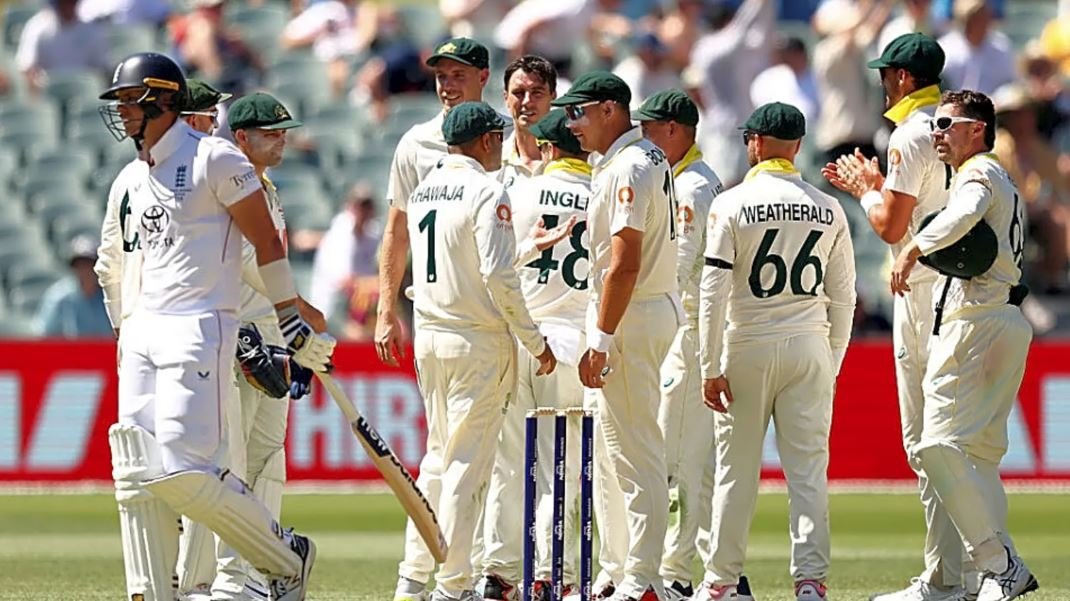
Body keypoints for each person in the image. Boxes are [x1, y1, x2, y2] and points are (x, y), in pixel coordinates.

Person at [96, 52, 332, 601]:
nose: (123, 111)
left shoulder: (215, 157)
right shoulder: (133, 176)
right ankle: (154, 593)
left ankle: (282, 558)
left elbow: (264, 243)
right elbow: (114, 263)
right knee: (134, 468)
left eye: (131, 100)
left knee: (186, 468)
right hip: (142, 332)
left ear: (164, 100)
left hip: (199, 328)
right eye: (121, 101)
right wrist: (125, 330)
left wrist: (289, 316)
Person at [383, 101, 557, 601]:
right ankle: (453, 583)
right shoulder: (487, 190)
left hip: (431, 338)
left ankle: (412, 578)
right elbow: (496, 277)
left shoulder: (424, 191)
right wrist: (535, 342)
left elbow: (464, 263)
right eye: (497, 138)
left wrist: (529, 247)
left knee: (438, 461)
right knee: (466, 467)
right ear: (485, 141)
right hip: (477, 342)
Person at [821, 33, 968, 601]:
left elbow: (889, 228)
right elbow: (926, 208)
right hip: (955, 288)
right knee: (949, 438)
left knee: (925, 441)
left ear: (903, 79)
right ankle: (966, 569)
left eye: (886, 76)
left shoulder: (908, 133)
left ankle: (946, 577)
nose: (882, 85)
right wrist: (882, 186)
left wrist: (866, 192)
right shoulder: (953, 126)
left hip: (922, 292)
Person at [696, 102, 856, 601]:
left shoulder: (731, 203)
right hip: (809, 343)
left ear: (756, 143)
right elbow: (844, 297)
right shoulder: (828, 207)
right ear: (798, 146)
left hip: (747, 342)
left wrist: (709, 366)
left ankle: (721, 581)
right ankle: (810, 582)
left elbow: (712, 293)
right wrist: (831, 361)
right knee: (808, 472)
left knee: (735, 472)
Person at [888, 89, 1038, 601]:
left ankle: (1000, 565)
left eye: (946, 124)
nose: (937, 134)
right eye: (934, 124)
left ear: (977, 129)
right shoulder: (1003, 177)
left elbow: (964, 214)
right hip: (1007, 318)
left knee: (935, 445)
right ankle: (982, 580)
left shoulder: (978, 174)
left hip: (976, 321)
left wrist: (913, 247)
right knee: (979, 456)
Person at [178, 92, 325, 601]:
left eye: (284, 132)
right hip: (237, 336)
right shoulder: (229, 184)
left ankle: (264, 569)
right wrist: (298, 308)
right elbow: (245, 262)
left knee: (268, 461)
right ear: (241, 137)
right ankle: (219, 578)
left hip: (271, 333)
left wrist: (289, 326)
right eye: (271, 133)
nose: (281, 140)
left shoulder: (267, 187)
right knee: (230, 465)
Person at [373, 38, 505, 601]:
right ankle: (446, 579)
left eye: (457, 75)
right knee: (456, 460)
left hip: (478, 322)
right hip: (458, 322)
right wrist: (386, 308)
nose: (447, 85)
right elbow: (396, 230)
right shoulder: (417, 142)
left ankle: (452, 574)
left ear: (482, 77)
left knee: (458, 459)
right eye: (441, 76)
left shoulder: (504, 136)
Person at [555, 71, 680, 601]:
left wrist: (602, 340)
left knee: (634, 452)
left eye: (578, 112)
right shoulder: (639, 157)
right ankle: (625, 569)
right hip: (643, 307)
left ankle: (643, 578)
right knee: (615, 451)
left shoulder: (630, 164)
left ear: (610, 109)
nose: (571, 124)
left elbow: (624, 263)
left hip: (631, 312)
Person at [480, 109, 589, 600]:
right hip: (573, 346)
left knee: (508, 462)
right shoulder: (601, 195)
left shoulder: (517, 194)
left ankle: (499, 571)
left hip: (522, 340)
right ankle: (551, 572)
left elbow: (495, 269)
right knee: (561, 465)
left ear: (547, 149)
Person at [633, 89, 724, 601]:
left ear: (673, 130)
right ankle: (702, 568)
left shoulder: (692, 186)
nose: (644, 138)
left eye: (649, 129)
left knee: (676, 458)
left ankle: (674, 572)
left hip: (686, 329)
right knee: (689, 459)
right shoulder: (686, 179)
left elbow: (681, 265)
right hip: (687, 327)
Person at [36, 234, 113, 338]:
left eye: (89, 264)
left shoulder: (110, 298)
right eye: (79, 265)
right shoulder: (58, 298)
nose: (84, 270)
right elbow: (44, 337)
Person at [499, 55, 557, 190]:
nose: (527, 102)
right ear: (506, 98)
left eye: (537, 93)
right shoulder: (492, 162)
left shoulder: (578, 157)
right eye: (518, 93)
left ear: (553, 96)